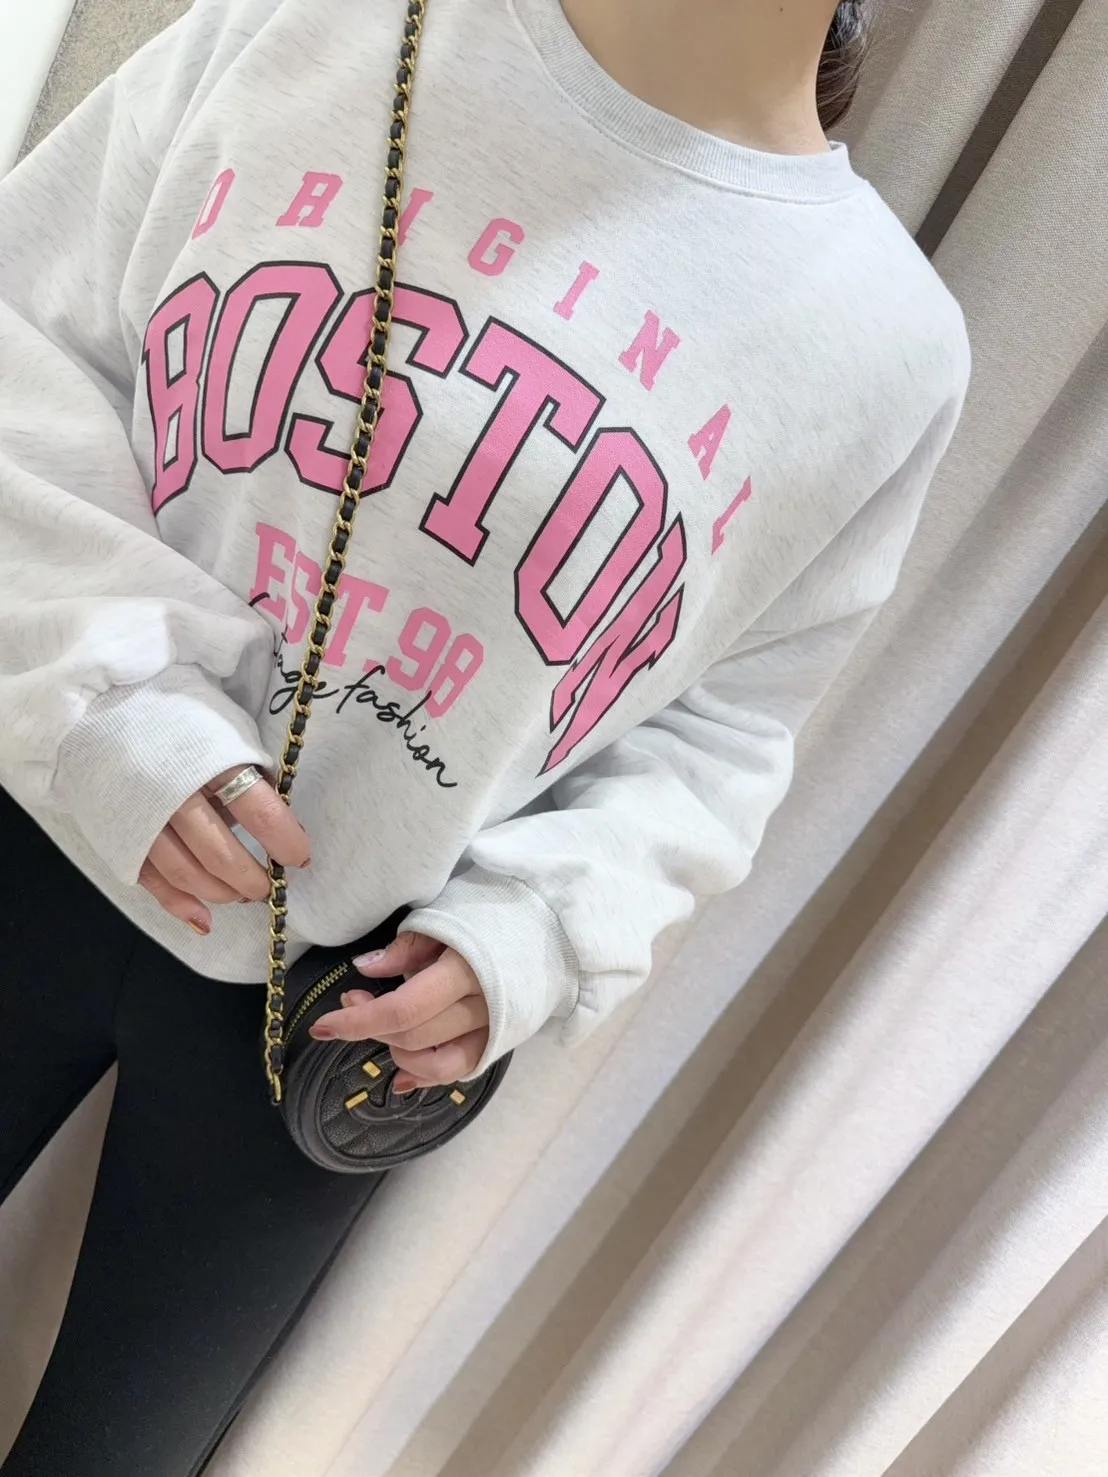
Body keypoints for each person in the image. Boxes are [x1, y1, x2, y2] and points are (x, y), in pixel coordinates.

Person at [0, 0, 970, 1470]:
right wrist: (118, 696)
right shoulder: (316, 27)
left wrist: (534, 930)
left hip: (347, 1010)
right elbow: (23, 343)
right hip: (36, 810)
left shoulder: (887, 347)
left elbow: (723, 729)